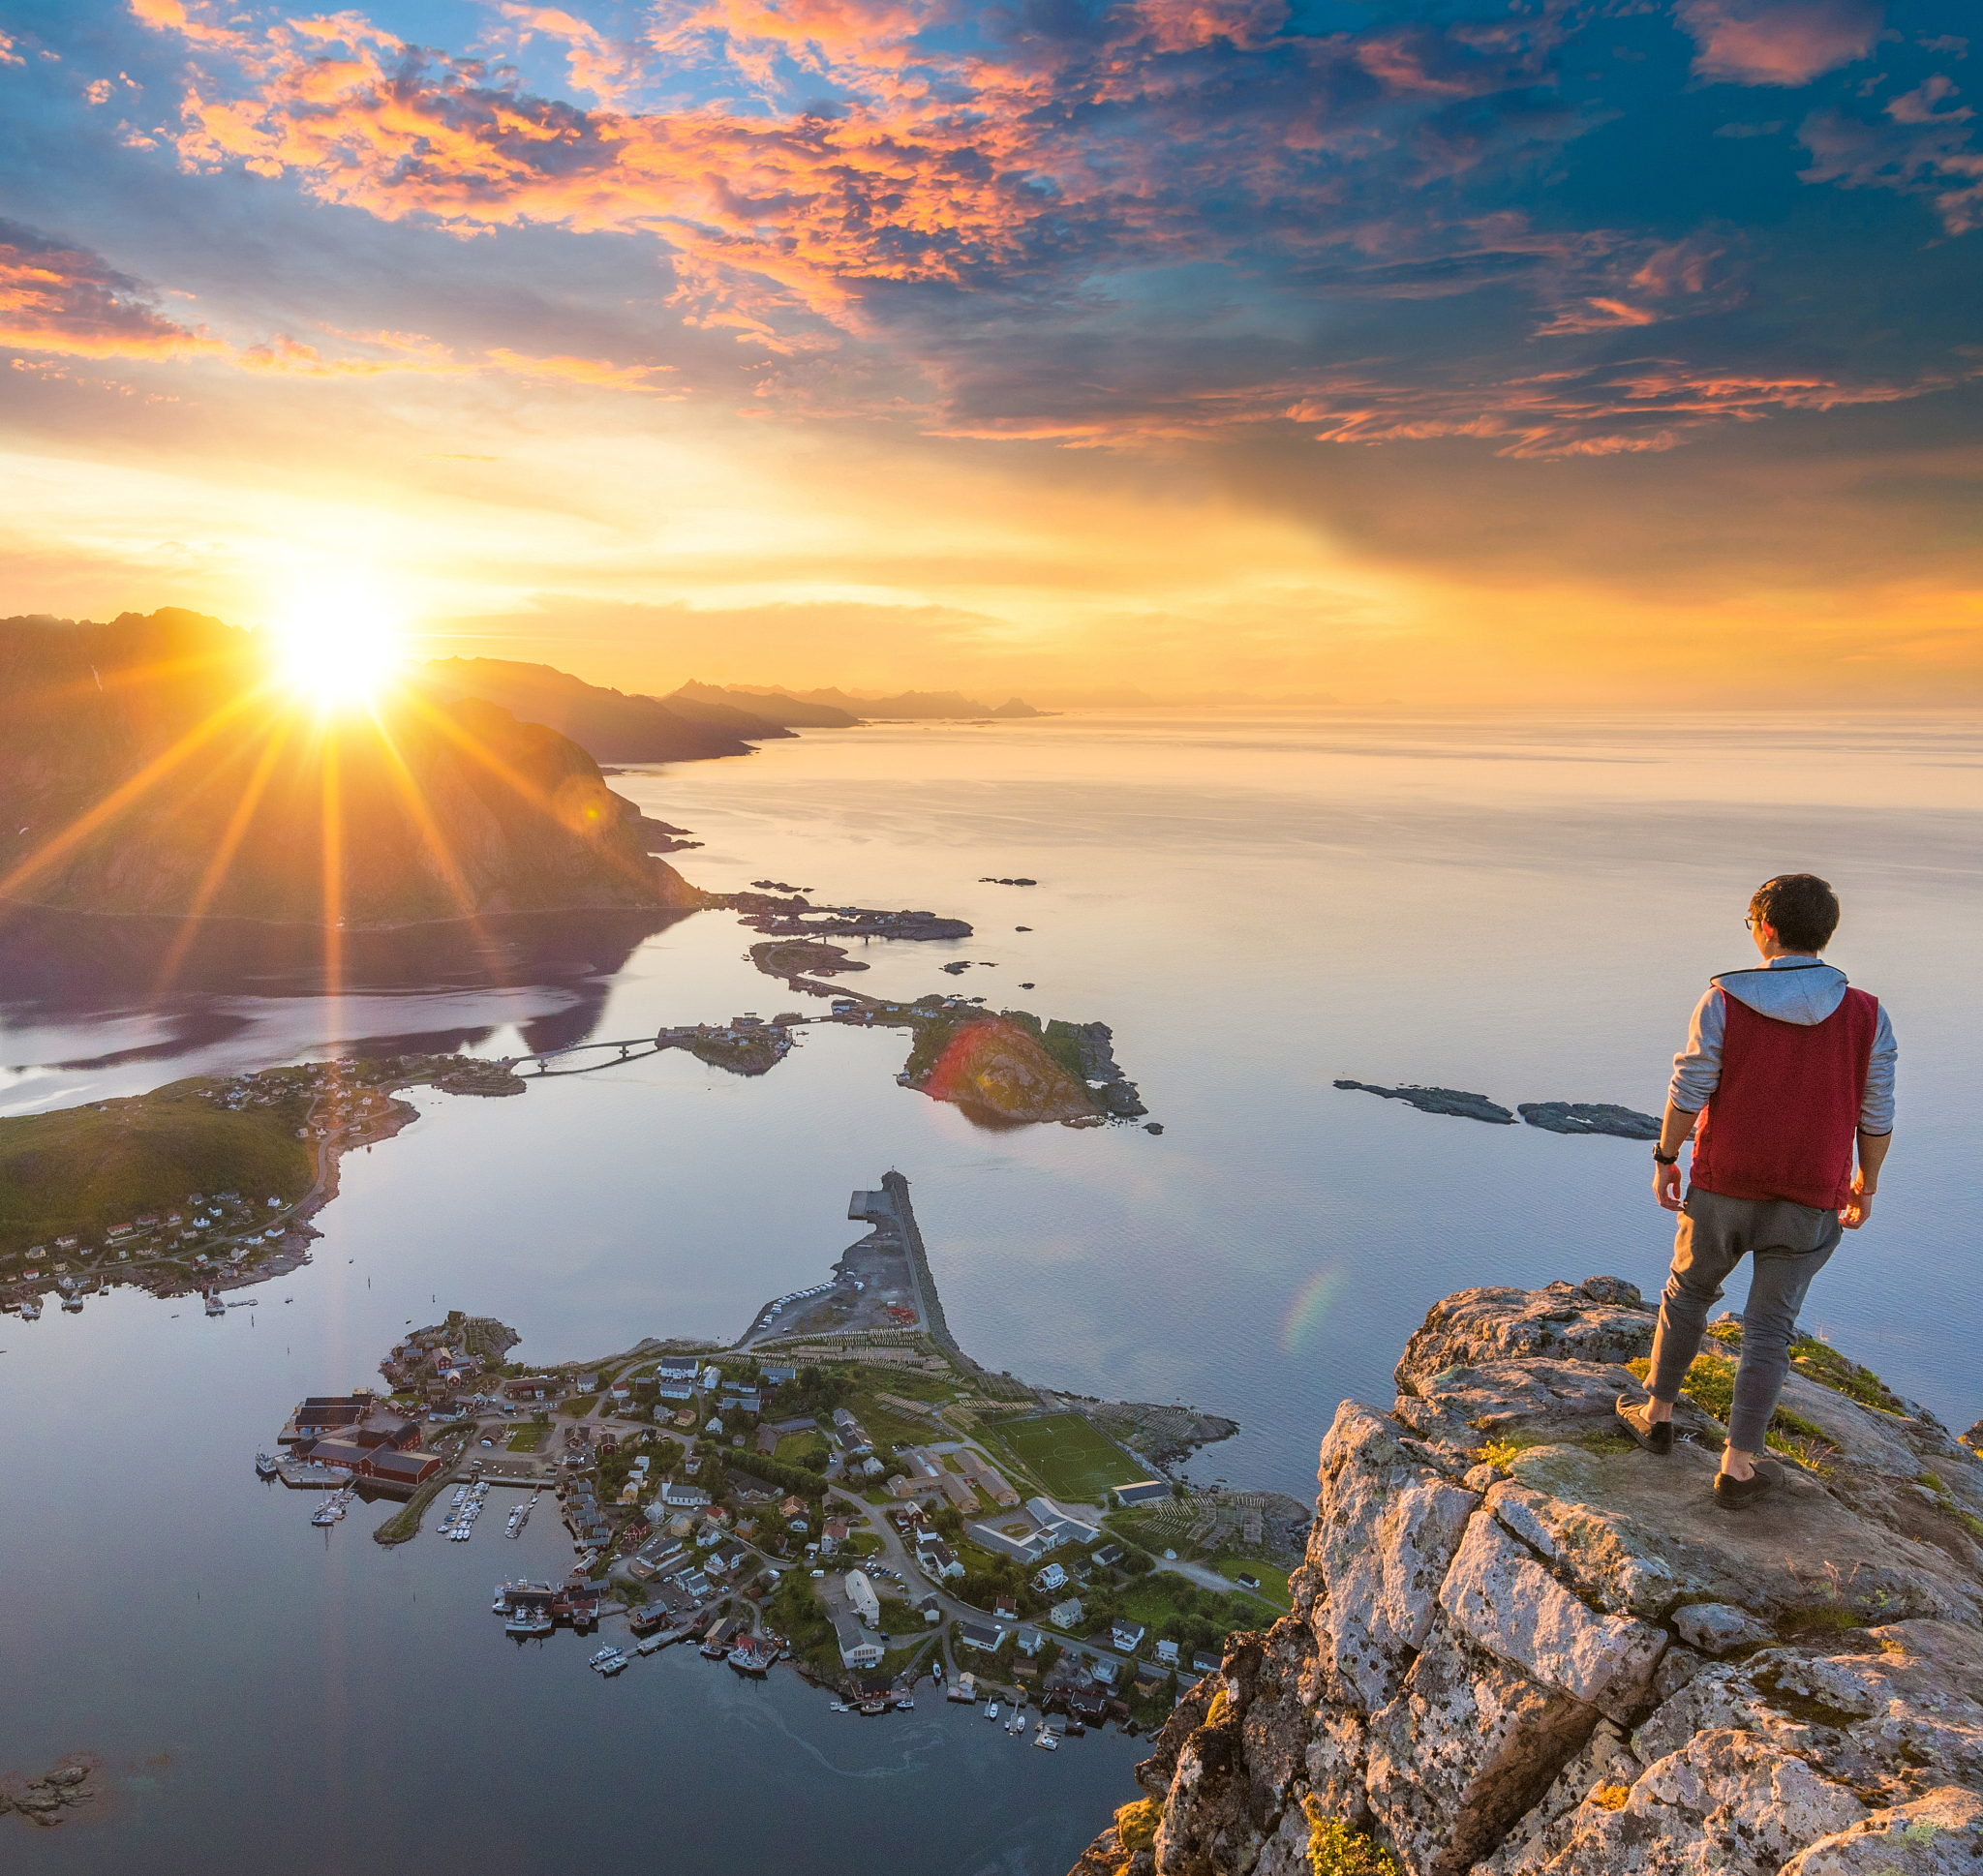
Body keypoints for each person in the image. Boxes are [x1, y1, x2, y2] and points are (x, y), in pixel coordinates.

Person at [1616, 873, 1896, 1506]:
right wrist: (1865, 1183)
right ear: (1824, 933)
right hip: (1810, 1195)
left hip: (1725, 1184)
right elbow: (1876, 1113)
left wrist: (1665, 1158)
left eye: (1751, 924)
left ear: (1766, 929)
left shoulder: (1722, 1002)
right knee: (1772, 1326)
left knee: (1687, 1293)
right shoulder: (1867, 1016)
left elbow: (1688, 1091)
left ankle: (1655, 1415)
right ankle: (1738, 1466)